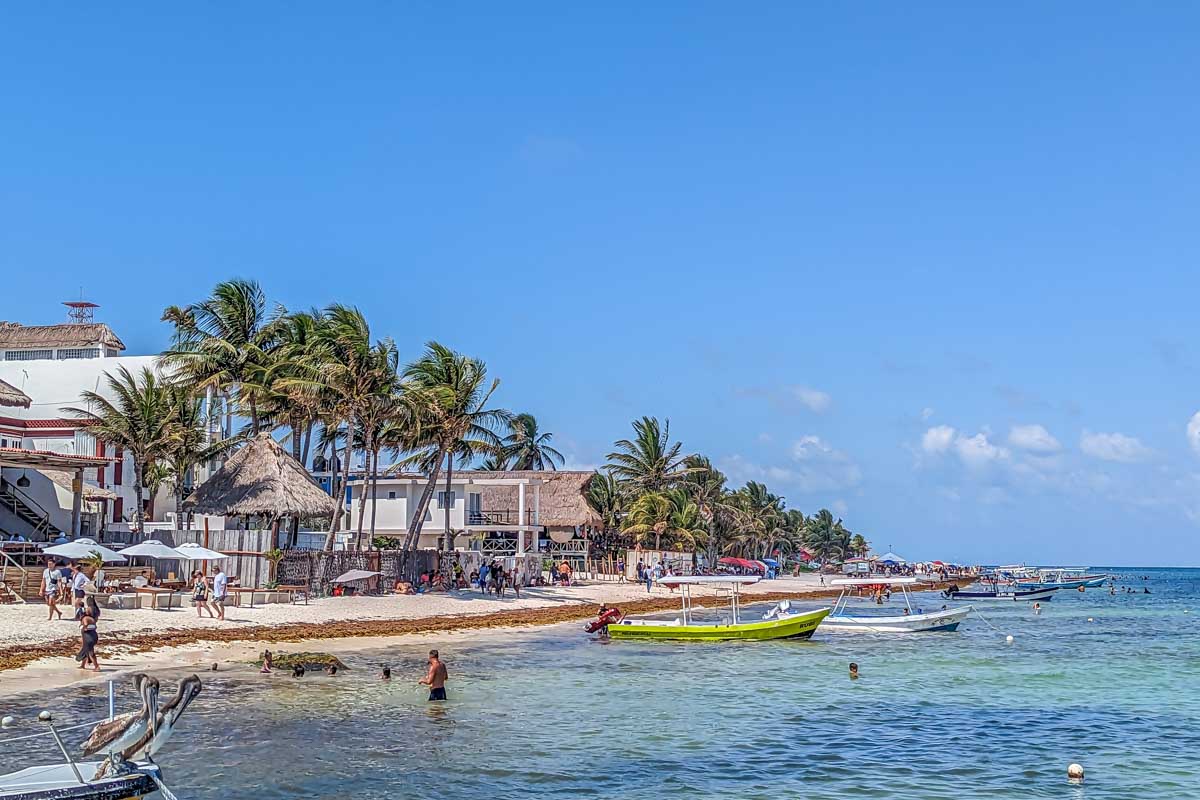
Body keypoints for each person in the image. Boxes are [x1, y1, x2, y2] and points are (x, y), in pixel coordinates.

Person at [75, 597, 100, 672]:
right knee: (86, 650)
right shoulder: (92, 618)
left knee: (90, 651)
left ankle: (97, 666)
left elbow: (85, 624)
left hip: (88, 636)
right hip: (94, 635)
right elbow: (95, 626)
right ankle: (83, 665)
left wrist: (84, 628)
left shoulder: (85, 618)